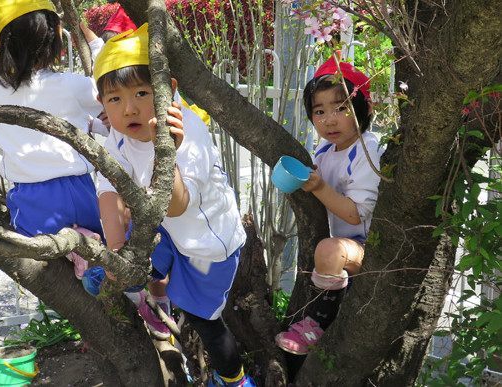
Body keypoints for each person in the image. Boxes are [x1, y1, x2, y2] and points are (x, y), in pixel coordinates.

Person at [84, 24, 256, 387]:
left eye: (142, 93)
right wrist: (114, 249)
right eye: (115, 99)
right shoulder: (120, 131)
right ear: (102, 103)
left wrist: (169, 152)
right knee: (130, 262)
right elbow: (108, 184)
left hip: (206, 244)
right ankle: (139, 288)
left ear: (169, 91)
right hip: (165, 229)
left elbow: (177, 206)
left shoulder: (188, 131)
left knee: (203, 320)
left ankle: (234, 380)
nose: (129, 108)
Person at [0, 0, 108, 280]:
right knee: (94, 250)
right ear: (56, 42)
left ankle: (72, 247)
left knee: (28, 237)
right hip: (80, 195)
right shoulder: (73, 86)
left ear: (5, 46)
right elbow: (105, 84)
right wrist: (92, 40)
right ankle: (82, 244)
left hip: (32, 199)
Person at [274, 55, 383, 355]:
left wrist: (319, 187)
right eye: (319, 111)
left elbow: (355, 212)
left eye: (341, 108)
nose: (329, 119)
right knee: (328, 250)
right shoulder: (325, 151)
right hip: (340, 245)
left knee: (329, 250)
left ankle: (317, 324)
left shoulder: (367, 150)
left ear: (365, 108)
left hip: (366, 245)